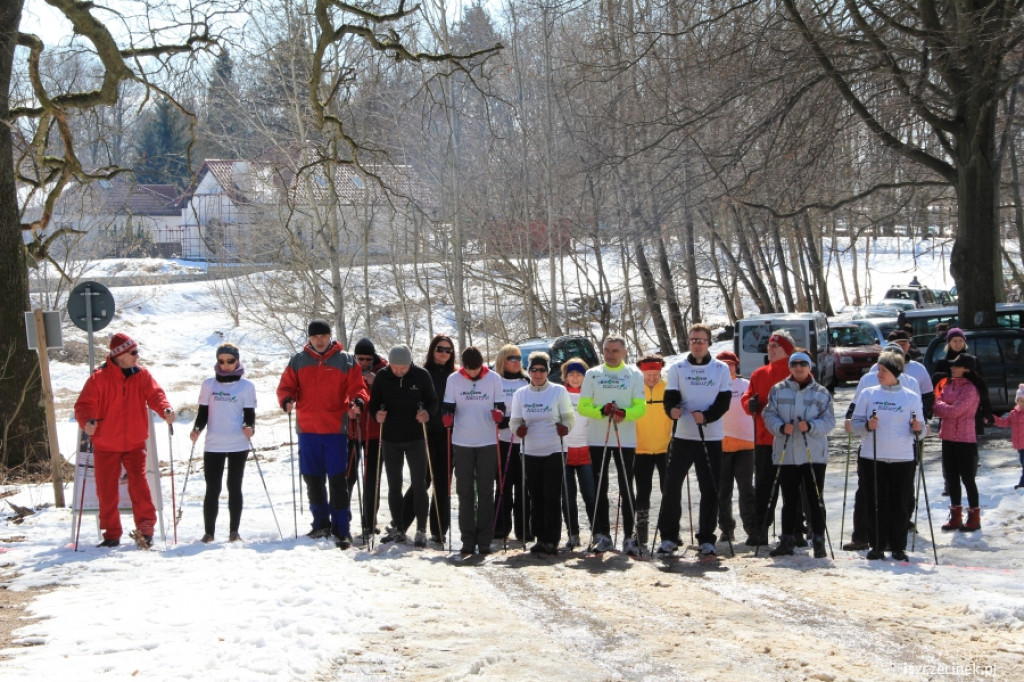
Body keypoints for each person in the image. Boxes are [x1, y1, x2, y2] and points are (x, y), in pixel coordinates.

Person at [74, 333, 175, 549]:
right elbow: (83, 405)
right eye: (133, 353)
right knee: (106, 491)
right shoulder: (98, 378)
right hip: (105, 443)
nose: (137, 356)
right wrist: (86, 421)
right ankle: (111, 534)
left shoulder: (142, 375)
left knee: (140, 486)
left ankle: (145, 530)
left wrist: (165, 409)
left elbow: (156, 395)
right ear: (119, 355)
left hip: (135, 442)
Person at [277, 319, 368, 548]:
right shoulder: (298, 360)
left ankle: (341, 529)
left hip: (335, 430)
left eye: (323, 336)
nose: (319, 340)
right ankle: (320, 524)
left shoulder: (345, 360)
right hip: (307, 430)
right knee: (312, 478)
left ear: (330, 336)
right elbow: (286, 386)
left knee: (338, 480)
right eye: (315, 336)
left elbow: (358, 387)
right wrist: (286, 399)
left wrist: (358, 400)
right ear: (309, 338)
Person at [658, 323, 733, 560]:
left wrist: (708, 416)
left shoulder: (720, 368)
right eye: (693, 340)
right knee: (671, 487)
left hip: (710, 437)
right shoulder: (678, 368)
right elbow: (670, 398)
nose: (697, 344)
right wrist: (672, 410)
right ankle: (669, 537)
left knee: (710, 488)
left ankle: (707, 539)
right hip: (683, 436)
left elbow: (724, 401)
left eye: (701, 340)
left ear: (709, 342)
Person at [850, 350, 925, 561]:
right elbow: (855, 424)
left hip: (902, 457)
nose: (879, 374)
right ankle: (877, 545)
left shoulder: (910, 397)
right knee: (875, 502)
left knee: (899, 503)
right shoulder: (868, 394)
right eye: (878, 369)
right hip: (872, 456)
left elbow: (921, 430)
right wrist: (867, 425)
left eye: (883, 370)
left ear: (895, 371)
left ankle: (898, 546)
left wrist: (918, 428)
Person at [762, 352, 836, 558]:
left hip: (814, 453)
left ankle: (819, 540)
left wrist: (811, 426)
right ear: (789, 367)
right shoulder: (777, 390)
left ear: (809, 366)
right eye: (794, 364)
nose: (799, 367)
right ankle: (788, 539)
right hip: (786, 453)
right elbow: (768, 414)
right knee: (789, 500)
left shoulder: (821, 392)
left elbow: (829, 421)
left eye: (803, 363)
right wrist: (779, 426)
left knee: (815, 499)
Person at [578, 335, 646, 554]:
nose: (610, 354)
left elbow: (641, 407)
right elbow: (583, 406)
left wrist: (625, 413)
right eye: (607, 350)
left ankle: (629, 536)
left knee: (626, 487)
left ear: (624, 352)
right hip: (598, 438)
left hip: (625, 439)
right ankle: (603, 535)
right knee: (601, 487)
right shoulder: (593, 374)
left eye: (615, 351)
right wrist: (601, 410)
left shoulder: (634, 374)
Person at [368, 344, 438, 547]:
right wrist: (377, 414)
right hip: (391, 439)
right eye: (395, 367)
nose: (398, 371)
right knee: (394, 484)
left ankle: (421, 530)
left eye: (403, 368)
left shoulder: (421, 375)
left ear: (410, 363)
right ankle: (398, 528)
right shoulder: (382, 376)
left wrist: (427, 414)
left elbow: (433, 401)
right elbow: (374, 404)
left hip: (416, 438)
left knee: (419, 484)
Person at [189, 342, 257, 543]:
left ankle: (234, 532)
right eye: (221, 361)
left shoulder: (247, 386)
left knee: (234, 486)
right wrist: (197, 429)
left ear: (238, 361)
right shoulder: (209, 384)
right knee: (212, 488)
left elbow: (249, 415)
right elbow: (202, 413)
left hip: (238, 443)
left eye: (230, 361)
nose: (226, 365)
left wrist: (250, 428)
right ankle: (209, 533)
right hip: (214, 443)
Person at [510, 352, 575, 555]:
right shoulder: (520, 394)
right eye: (534, 370)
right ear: (528, 371)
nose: (537, 374)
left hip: (554, 448)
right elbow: (514, 421)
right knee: (535, 495)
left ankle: (552, 539)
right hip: (530, 450)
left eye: (542, 370)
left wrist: (565, 427)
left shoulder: (558, 391)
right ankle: (539, 537)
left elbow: (569, 418)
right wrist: (518, 430)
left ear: (548, 371)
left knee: (551, 495)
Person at [442, 346, 504, 555]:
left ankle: (485, 539)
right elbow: (448, 406)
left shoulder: (494, 378)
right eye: (469, 369)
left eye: (476, 369)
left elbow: (501, 405)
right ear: (464, 366)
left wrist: (499, 414)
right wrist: (447, 416)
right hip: (462, 441)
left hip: (487, 441)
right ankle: (467, 539)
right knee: (465, 491)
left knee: (486, 490)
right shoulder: (453, 379)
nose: (473, 373)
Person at [394, 335, 456, 543]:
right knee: (422, 481)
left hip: (448, 434)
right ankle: (400, 523)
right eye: (440, 349)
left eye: (448, 350)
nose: (443, 353)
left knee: (443, 482)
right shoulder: (421, 373)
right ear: (432, 350)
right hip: (425, 433)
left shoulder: (455, 376)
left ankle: (439, 529)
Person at [742, 330, 795, 546]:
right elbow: (747, 397)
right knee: (763, 488)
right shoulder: (759, 374)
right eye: (769, 346)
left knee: (792, 488)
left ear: (787, 350)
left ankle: (795, 531)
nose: (770, 350)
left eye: (775, 346)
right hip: (765, 440)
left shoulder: (796, 373)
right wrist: (750, 404)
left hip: (792, 440)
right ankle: (760, 529)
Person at [933, 353, 983, 532]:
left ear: (966, 369)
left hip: (965, 439)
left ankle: (974, 516)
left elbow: (956, 411)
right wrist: (948, 406)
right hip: (947, 437)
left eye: (956, 366)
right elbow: (935, 406)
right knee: (951, 477)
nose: (952, 368)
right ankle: (955, 515)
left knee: (968, 478)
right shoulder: (949, 385)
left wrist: (946, 407)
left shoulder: (970, 389)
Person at [715, 351, 757, 545]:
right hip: (720, 446)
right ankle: (726, 529)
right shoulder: (712, 386)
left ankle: (752, 528)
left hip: (746, 445)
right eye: (723, 364)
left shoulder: (746, 385)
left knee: (746, 489)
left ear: (736, 366)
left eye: (730, 364)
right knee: (722, 491)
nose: (727, 367)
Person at [493, 344, 531, 545]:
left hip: (524, 441)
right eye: (512, 358)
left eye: (518, 358)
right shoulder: (495, 381)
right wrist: (506, 421)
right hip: (502, 440)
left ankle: (524, 529)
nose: (517, 361)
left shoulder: (526, 381)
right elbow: (493, 410)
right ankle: (500, 527)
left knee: (523, 486)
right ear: (503, 360)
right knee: (503, 485)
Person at [351, 337, 387, 542]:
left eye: (368, 359)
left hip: (374, 433)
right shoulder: (348, 369)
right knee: (348, 477)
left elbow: (390, 398)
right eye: (360, 359)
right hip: (353, 432)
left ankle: (369, 523)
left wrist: (377, 384)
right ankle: (341, 521)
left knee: (372, 479)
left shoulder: (383, 371)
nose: (364, 363)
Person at [634, 354, 671, 548]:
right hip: (641, 449)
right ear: (642, 372)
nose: (652, 378)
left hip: (665, 447)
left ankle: (669, 532)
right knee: (643, 491)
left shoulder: (668, 389)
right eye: (648, 374)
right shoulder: (635, 389)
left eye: (656, 374)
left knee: (669, 491)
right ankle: (641, 530)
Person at [560, 357, 595, 550]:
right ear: (565, 376)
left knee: (590, 495)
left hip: (585, 451)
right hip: (564, 451)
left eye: (579, 374)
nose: (575, 378)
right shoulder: (560, 394)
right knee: (567, 496)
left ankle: (596, 532)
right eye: (571, 374)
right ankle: (573, 534)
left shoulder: (591, 394)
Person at [992, 385, 1024, 489]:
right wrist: (994, 419)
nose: (1022, 403)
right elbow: (1005, 422)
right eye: (1020, 400)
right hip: (1020, 444)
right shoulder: (1014, 414)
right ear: (1017, 401)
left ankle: (1022, 484)